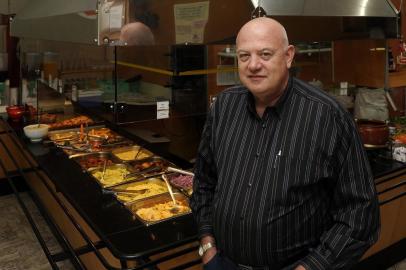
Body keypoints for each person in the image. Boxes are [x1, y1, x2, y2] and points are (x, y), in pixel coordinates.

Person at [190, 17, 380, 270]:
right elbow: (204, 181)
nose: (253, 65)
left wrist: (312, 266)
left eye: (265, 54)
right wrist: (207, 247)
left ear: (289, 56)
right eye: (244, 56)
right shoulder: (223, 107)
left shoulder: (327, 116)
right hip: (222, 263)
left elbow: (360, 212)